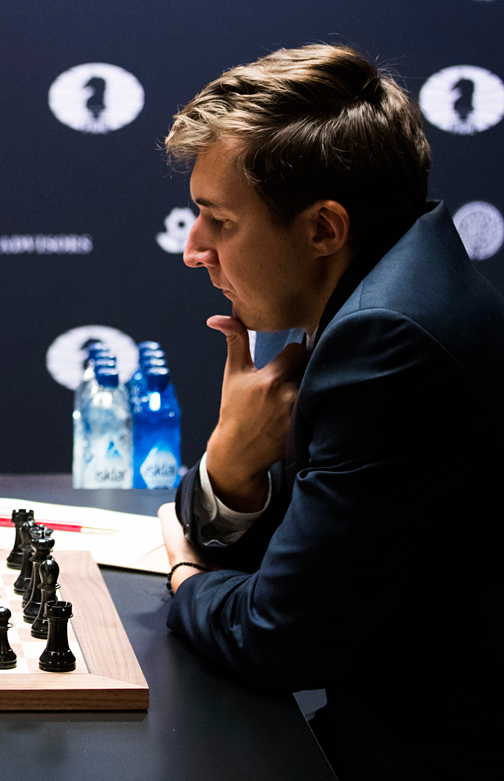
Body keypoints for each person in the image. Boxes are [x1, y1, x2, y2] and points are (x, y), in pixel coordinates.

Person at [159, 45, 504, 778]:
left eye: (218, 220)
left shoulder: (386, 339)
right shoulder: (382, 288)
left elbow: (280, 634)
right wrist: (231, 463)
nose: (195, 251)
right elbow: (299, 555)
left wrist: (186, 577)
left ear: (323, 230)